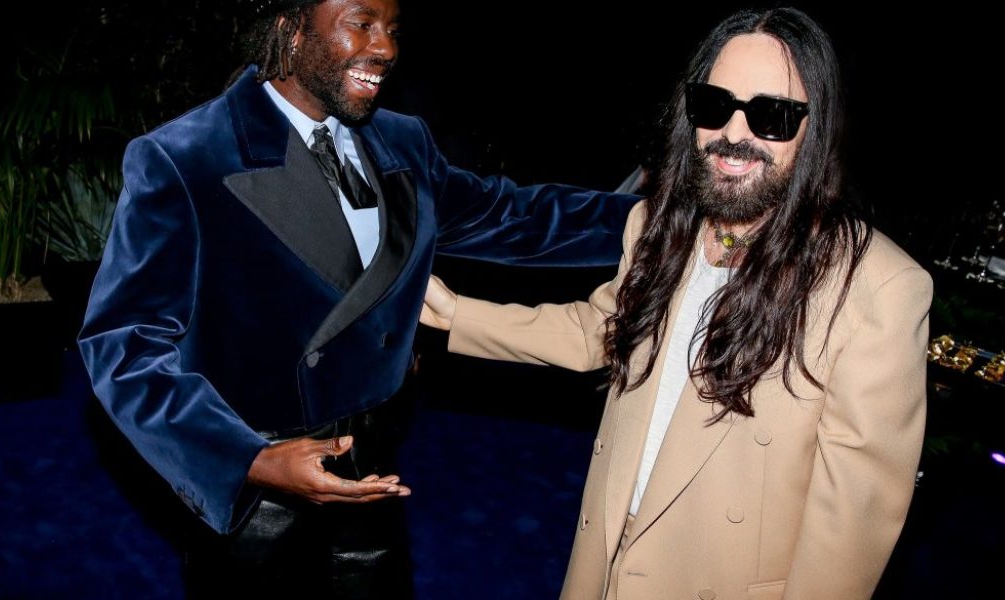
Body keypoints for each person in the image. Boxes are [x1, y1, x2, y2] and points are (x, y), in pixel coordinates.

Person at [77, 0, 637, 597]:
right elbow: (123, 345)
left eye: (392, 29)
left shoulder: (401, 139)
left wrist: (655, 219)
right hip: (260, 486)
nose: (386, 48)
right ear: (292, 31)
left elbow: (512, 216)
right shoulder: (186, 156)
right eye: (362, 24)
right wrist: (248, 460)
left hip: (374, 467)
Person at [421, 7, 932, 599]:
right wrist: (456, 313)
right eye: (715, 105)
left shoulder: (877, 288)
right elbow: (601, 330)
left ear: (816, 129)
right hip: (606, 563)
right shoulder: (658, 227)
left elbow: (851, 525)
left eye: (771, 115)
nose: (734, 134)